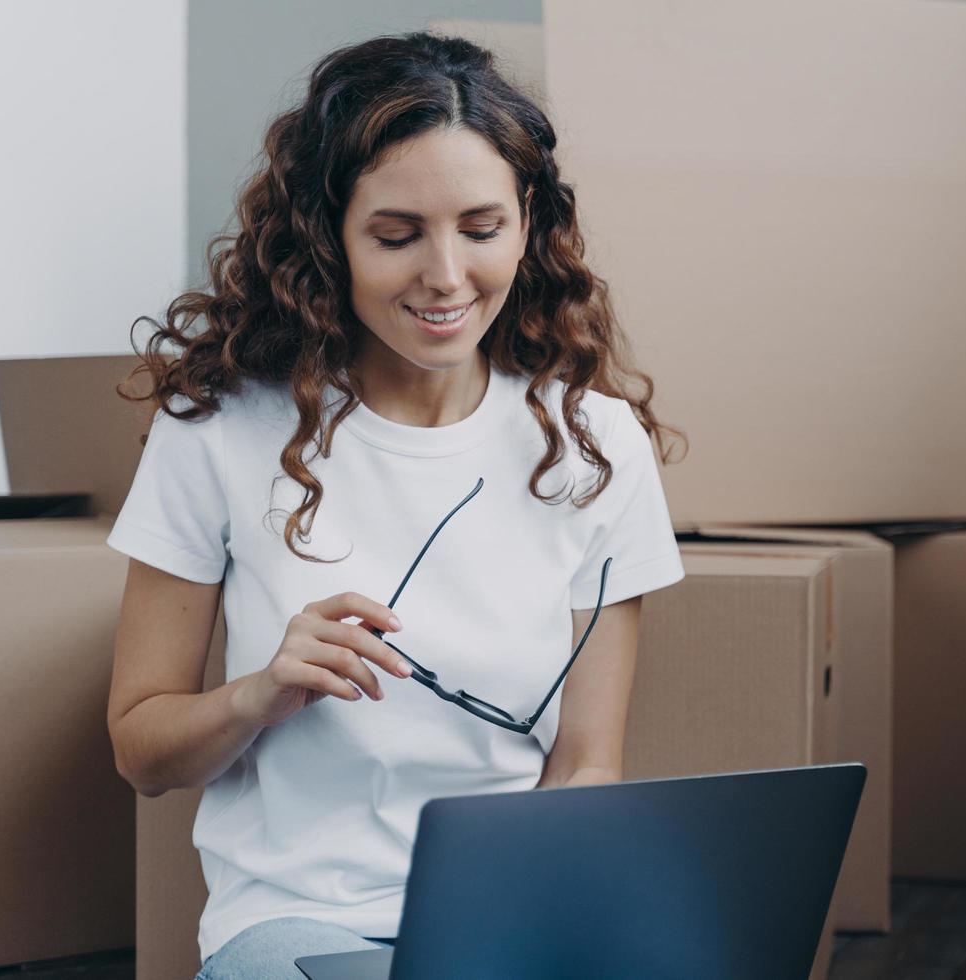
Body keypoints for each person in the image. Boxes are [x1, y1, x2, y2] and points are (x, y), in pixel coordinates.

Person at [104, 31, 687, 980]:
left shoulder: (596, 443)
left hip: (511, 919)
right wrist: (260, 695)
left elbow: (586, 764)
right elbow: (142, 752)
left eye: (482, 228)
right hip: (299, 924)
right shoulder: (216, 430)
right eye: (397, 234)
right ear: (326, 233)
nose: (448, 277)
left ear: (529, 222)